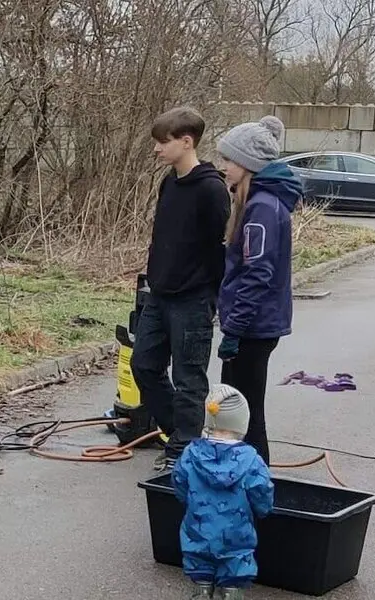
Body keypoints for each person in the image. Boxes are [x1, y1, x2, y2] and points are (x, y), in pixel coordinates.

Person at [132, 106, 233, 470]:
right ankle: (177, 431)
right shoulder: (168, 182)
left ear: (186, 142)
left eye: (163, 142)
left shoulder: (211, 189)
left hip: (193, 299)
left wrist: (212, 297)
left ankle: (183, 451)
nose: (157, 150)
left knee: (189, 378)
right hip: (159, 295)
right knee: (143, 365)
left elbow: (220, 248)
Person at [212, 115, 303, 464]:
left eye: (229, 161)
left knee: (244, 412)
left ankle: (254, 481)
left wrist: (233, 329)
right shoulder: (256, 202)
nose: (224, 168)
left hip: (253, 327)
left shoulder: (262, 208)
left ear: (248, 164)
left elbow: (257, 273)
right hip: (251, 324)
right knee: (239, 408)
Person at [170, 384, 275, 600]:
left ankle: (202, 590)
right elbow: (261, 490)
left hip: (198, 528)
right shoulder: (251, 460)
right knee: (235, 568)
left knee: (200, 566)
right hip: (236, 535)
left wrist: (188, 501)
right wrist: (263, 510)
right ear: (242, 425)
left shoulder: (191, 453)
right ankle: (231, 593)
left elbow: (179, 481)